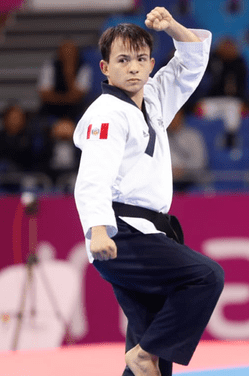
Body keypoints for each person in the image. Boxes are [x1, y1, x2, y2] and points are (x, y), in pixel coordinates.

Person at [73, 8, 224, 376]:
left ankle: (145, 356)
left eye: (141, 59)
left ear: (151, 63)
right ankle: (145, 354)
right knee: (205, 276)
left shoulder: (153, 98)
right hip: (120, 232)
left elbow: (191, 62)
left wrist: (172, 26)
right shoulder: (107, 113)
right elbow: (93, 174)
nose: (134, 67)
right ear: (105, 68)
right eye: (123, 60)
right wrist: (96, 229)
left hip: (148, 230)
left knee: (151, 347)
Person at [37, 39, 93, 122]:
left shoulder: (84, 68)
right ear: (59, 53)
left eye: (71, 52)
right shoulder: (50, 66)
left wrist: (69, 73)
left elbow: (77, 96)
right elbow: (45, 95)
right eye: (65, 52)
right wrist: (65, 99)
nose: (68, 55)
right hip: (51, 111)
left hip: (75, 112)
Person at [167, 108, 208, 192]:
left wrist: (183, 169)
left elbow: (199, 162)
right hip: (167, 179)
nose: (173, 120)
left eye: (175, 116)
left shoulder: (193, 136)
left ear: (181, 117)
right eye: (170, 117)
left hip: (191, 178)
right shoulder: (162, 137)